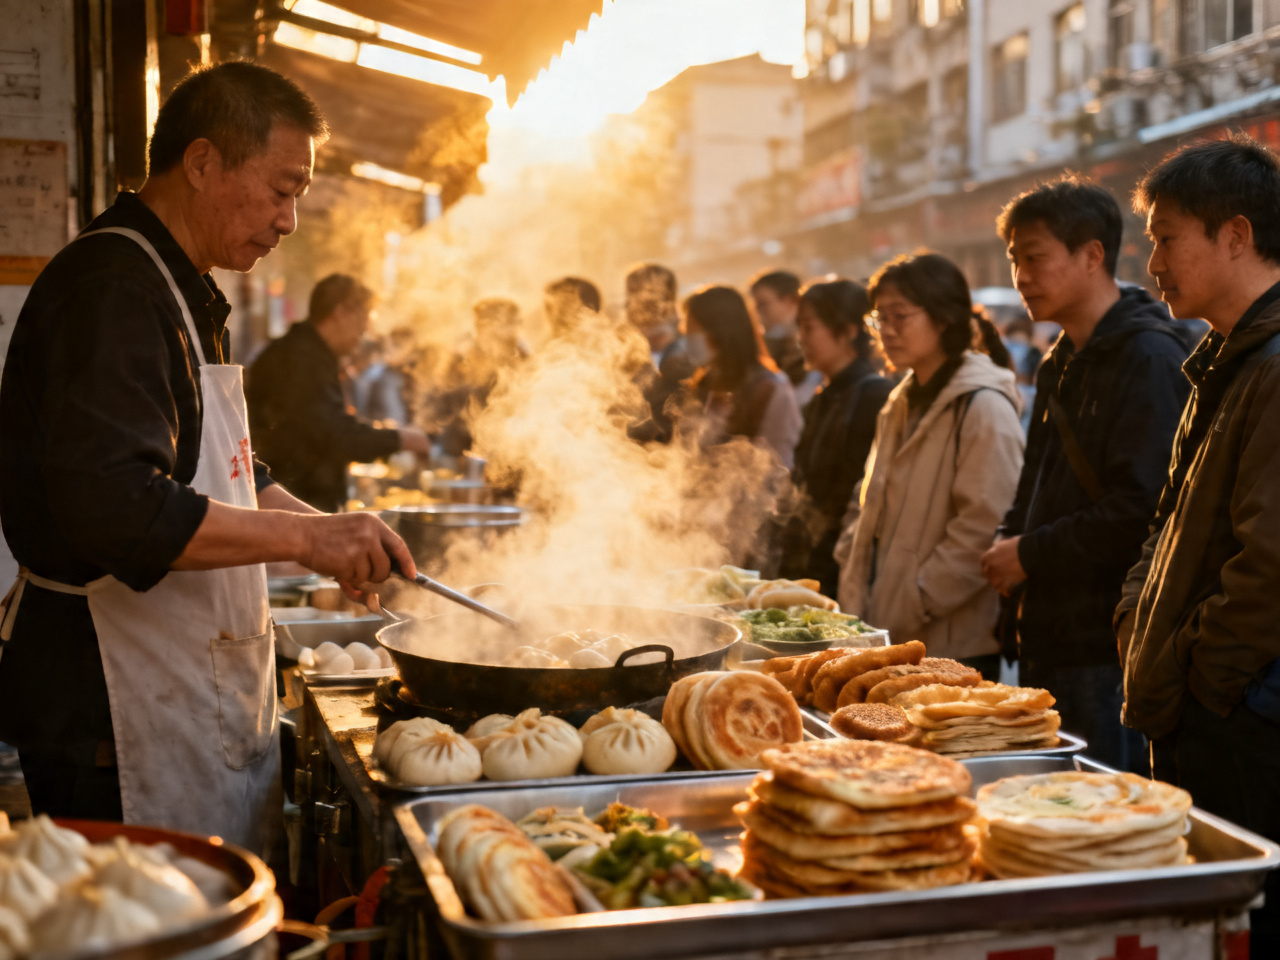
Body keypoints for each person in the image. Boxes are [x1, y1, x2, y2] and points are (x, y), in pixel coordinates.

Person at [0, 62, 417, 852]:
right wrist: (308, 542)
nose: (290, 219)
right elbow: (119, 510)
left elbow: (224, 470)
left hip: (172, 691)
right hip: (112, 709)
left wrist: (330, 530)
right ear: (201, 162)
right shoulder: (113, 290)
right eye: (283, 188)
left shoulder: (177, 283)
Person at [1117, 135, 1280, 956]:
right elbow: (1167, 522)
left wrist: (1197, 673)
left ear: (1237, 236)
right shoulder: (1220, 355)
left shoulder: (1274, 365)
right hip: (1204, 706)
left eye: (1167, 237)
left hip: (1243, 717)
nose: (1152, 262)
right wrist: (1136, 624)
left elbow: (1271, 567)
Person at [980, 175, 1190, 772]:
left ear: (1092, 254)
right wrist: (1011, 544)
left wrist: (1032, 552)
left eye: (1035, 258)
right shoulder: (1060, 360)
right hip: (1049, 628)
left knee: (1096, 808)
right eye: (1015, 260)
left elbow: (1144, 507)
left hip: (1108, 643)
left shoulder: (1148, 356)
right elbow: (1036, 480)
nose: (1022, 276)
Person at [836, 252, 1023, 674]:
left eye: (899, 316)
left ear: (943, 317)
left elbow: (985, 524)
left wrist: (918, 598)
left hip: (951, 642)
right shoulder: (901, 399)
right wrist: (850, 562)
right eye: (879, 319)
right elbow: (866, 499)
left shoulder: (982, 405)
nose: (887, 331)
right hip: (886, 628)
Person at [246, 274, 430, 512]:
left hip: (297, 501)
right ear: (341, 312)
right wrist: (402, 438)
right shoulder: (300, 360)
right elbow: (333, 435)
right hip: (292, 505)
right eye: (363, 321)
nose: (364, 333)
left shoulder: (305, 352)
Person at [779, 279, 891, 597]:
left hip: (842, 569)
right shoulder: (825, 396)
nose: (800, 339)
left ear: (848, 332)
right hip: (812, 562)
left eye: (809, 327)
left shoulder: (875, 397)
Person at [681, 285, 802, 469]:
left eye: (693, 330)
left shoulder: (769, 388)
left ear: (720, 330)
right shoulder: (705, 385)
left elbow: (777, 463)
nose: (688, 338)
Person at [627, 263, 694, 442]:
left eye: (637, 294)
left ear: (665, 299)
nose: (629, 305)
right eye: (629, 295)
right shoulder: (628, 354)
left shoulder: (690, 354)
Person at [750, 269, 824, 406]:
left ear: (791, 300)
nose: (758, 313)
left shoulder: (821, 341)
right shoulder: (769, 346)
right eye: (755, 307)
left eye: (763, 304)